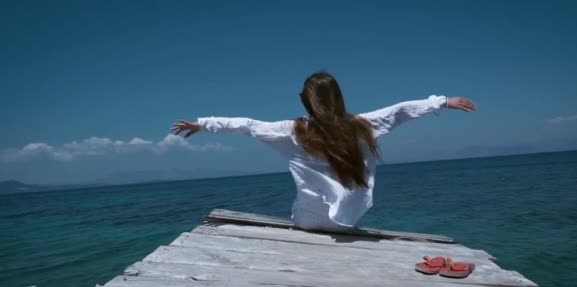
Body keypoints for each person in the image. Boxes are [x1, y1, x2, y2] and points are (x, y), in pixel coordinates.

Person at [171, 71, 476, 232]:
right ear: (338, 97)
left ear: (306, 101)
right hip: (349, 221)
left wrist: (202, 124)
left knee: (301, 204)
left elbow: (248, 125)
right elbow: (398, 111)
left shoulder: (293, 131)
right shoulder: (359, 126)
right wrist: (441, 101)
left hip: (306, 221)